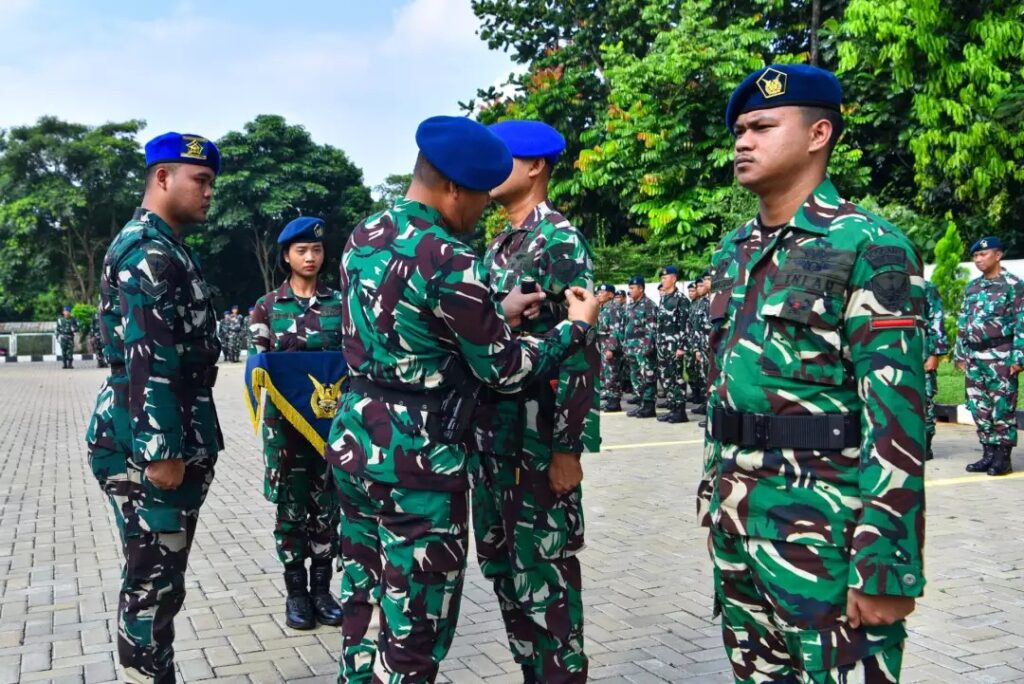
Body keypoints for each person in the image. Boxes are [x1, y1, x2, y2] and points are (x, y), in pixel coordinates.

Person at [324, 116, 599, 682]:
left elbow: (414, 319)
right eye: (477, 193)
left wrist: (567, 444)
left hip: (361, 442)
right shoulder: (451, 254)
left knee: (365, 600)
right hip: (422, 458)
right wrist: (575, 327)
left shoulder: (363, 235)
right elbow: (501, 366)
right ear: (453, 187)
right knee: (414, 630)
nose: (481, 208)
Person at [698, 65, 926, 683]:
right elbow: (729, 389)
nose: (743, 141)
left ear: (818, 133)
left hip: (827, 532)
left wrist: (885, 563)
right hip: (740, 522)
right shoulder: (734, 251)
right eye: (740, 129)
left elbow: (897, 415)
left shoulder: (869, 245)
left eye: (763, 127)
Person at [85, 131, 223, 683]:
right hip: (149, 444)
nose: (210, 192)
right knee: (153, 581)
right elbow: (149, 359)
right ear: (162, 178)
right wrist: (162, 453)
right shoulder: (149, 252)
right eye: (201, 180)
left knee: (159, 574)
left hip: (162, 430)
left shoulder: (166, 244)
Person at [469, 119, 598, 682]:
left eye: (504, 158)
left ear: (536, 166)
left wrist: (568, 448)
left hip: (537, 444)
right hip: (492, 440)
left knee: (543, 577)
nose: (491, 169)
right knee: (504, 570)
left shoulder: (558, 240)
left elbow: (580, 349)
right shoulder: (501, 242)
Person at [249, 216, 345, 630]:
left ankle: (323, 591)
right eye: (302, 250)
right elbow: (257, 364)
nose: (310, 257)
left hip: (330, 426)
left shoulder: (340, 304)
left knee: (327, 507)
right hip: (286, 430)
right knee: (291, 511)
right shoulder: (268, 307)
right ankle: (296, 595)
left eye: (317, 250)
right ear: (286, 256)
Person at [955, 236, 1024, 476]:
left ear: (998, 255)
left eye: (983, 255)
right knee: (979, 407)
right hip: (974, 356)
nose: (978, 260)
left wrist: (1019, 357)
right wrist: (960, 353)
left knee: (1001, 407)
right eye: (975, 256)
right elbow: (963, 321)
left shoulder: (1013, 285)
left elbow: (1021, 321)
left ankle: (1002, 457)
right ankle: (987, 454)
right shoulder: (973, 287)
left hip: (1001, 355)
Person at [655, 265, 690, 423]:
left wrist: (682, 347)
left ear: (674, 278)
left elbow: (685, 325)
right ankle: (673, 407)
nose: (663, 280)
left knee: (677, 378)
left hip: (675, 345)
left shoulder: (681, 300)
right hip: (663, 346)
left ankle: (680, 411)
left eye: (665, 277)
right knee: (666, 377)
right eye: (661, 277)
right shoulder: (664, 299)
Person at [623, 275, 657, 418]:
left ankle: (649, 407)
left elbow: (652, 328)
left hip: (643, 349)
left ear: (641, 289)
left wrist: (647, 348)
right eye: (629, 288)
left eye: (632, 288)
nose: (629, 291)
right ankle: (642, 404)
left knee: (647, 377)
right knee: (636, 377)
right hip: (631, 348)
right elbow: (627, 327)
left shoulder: (649, 305)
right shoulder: (630, 305)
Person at [923, 281, 948, 461]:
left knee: (925, 400)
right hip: (894, 355)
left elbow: (937, 319)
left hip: (922, 354)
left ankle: (925, 445)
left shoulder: (926, 287)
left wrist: (934, 353)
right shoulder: (883, 284)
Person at [597, 283, 624, 412]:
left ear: (611, 295)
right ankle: (609, 399)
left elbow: (615, 329)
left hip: (610, 345)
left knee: (612, 373)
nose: (599, 295)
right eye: (598, 292)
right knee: (605, 373)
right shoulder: (603, 307)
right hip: (603, 344)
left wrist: (611, 348)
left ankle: (614, 401)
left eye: (603, 292)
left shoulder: (614, 307)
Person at [687, 273, 711, 414]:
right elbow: (694, 328)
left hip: (710, 347)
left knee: (710, 378)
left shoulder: (712, 302)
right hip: (701, 346)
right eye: (699, 285)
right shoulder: (700, 304)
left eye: (703, 284)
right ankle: (706, 404)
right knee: (703, 377)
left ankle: (710, 408)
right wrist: (696, 348)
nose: (700, 288)